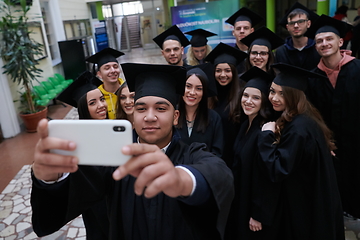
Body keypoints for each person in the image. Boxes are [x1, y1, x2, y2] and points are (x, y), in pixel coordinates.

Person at [30, 63, 234, 240]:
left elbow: (220, 174)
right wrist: (51, 179)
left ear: (176, 117)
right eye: (141, 108)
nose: (150, 117)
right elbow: (70, 198)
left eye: (161, 109)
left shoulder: (191, 155)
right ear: (133, 115)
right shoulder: (114, 160)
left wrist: (181, 179)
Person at [256, 63, 344, 240]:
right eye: (272, 91)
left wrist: (266, 136)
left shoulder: (298, 129)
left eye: (282, 93)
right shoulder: (306, 120)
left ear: (294, 96)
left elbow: (278, 168)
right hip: (312, 199)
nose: (274, 98)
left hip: (305, 206)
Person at [305, 14, 360, 219]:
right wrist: (324, 143)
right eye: (319, 41)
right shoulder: (312, 78)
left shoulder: (357, 69)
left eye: (329, 39)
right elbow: (312, 117)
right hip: (330, 150)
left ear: (340, 41)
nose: (324, 43)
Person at [55, 70, 110, 239]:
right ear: (83, 109)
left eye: (102, 99)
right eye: (93, 103)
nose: (101, 105)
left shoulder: (113, 130)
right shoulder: (78, 143)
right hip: (97, 208)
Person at [225, 66, 273, 240]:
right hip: (241, 200)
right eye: (245, 95)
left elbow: (266, 177)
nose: (248, 101)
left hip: (254, 209)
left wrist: (258, 214)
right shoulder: (245, 124)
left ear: (264, 101)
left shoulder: (264, 130)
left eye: (256, 98)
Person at [204, 42, 247, 167]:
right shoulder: (209, 97)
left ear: (233, 72)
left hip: (234, 156)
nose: (223, 75)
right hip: (212, 156)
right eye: (218, 71)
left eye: (227, 70)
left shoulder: (241, 97)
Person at [176, 63, 224, 157]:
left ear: (204, 93)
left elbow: (217, 153)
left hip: (203, 170)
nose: (192, 92)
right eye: (188, 86)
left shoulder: (214, 118)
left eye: (198, 88)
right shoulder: (171, 114)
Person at [275, 2, 321, 70]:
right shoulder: (281, 52)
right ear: (287, 27)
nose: (296, 26)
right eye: (292, 23)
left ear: (308, 24)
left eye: (300, 22)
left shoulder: (318, 49)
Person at [86, 48, 125, 119]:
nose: (113, 70)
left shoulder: (128, 90)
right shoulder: (97, 96)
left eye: (115, 67)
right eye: (107, 68)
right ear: (99, 74)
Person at [225, 7, 263, 74]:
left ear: (252, 31)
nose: (242, 31)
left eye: (246, 28)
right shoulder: (229, 57)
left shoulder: (260, 55)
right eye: (238, 28)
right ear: (233, 32)